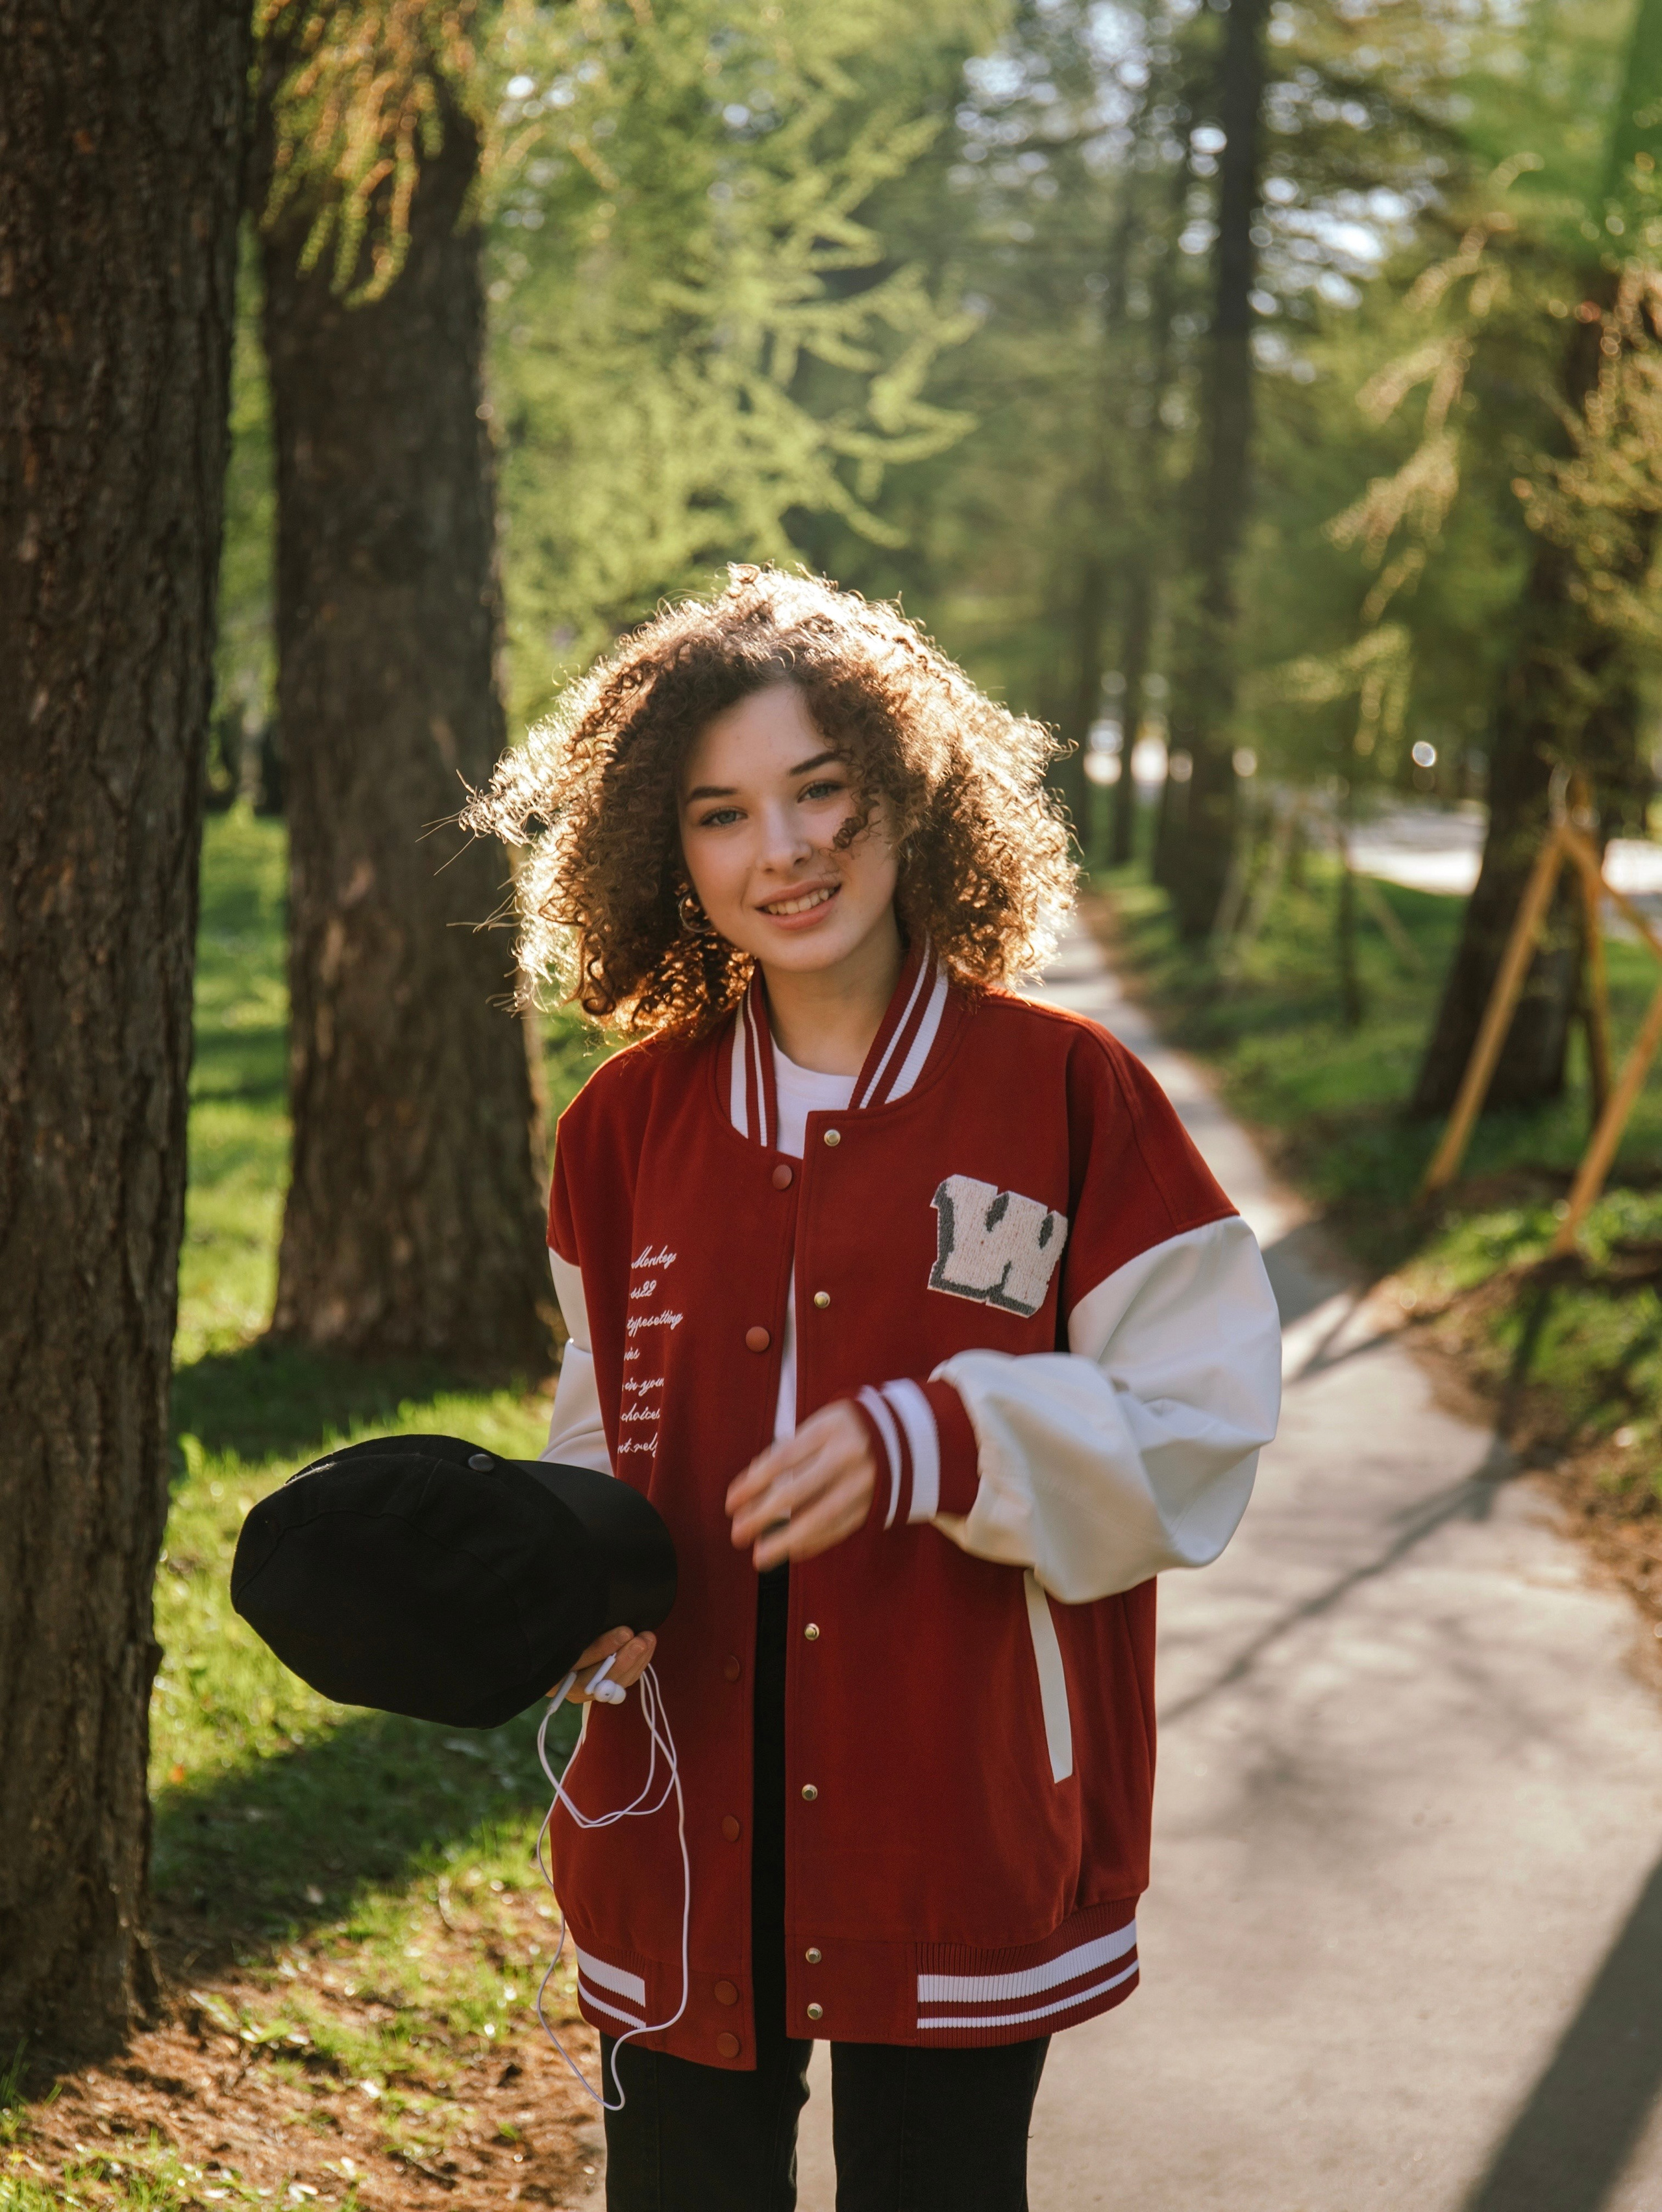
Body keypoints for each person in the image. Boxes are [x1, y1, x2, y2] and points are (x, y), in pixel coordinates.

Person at [466, 567, 1282, 2210]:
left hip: (956, 1800)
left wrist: (939, 1437)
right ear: (665, 857)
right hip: (679, 1808)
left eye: (821, 788)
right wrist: (576, 1570)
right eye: (721, 814)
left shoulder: (1069, 1095)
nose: (785, 851)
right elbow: (598, 1410)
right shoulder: (620, 1128)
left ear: (909, 793)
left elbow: (1196, 1427)